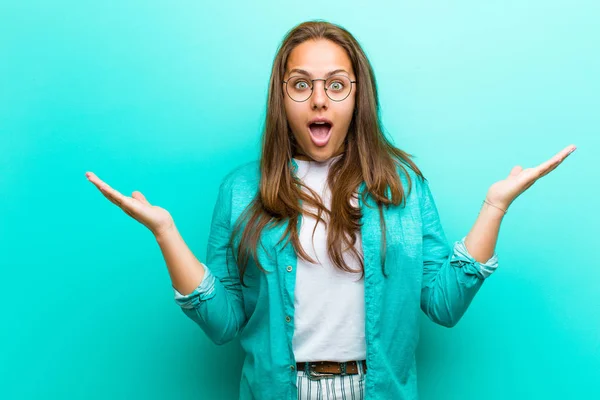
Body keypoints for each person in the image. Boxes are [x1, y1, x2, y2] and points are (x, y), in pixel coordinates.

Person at [86, 20, 576, 400]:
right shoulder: (241, 191)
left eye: (336, 84)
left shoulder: (403, 187)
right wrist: (165, 232)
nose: (319, 99)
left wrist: (495, 206)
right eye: (301, 84)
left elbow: (443, 303)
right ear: (282, 95)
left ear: (357, 94)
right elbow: (223, 322)